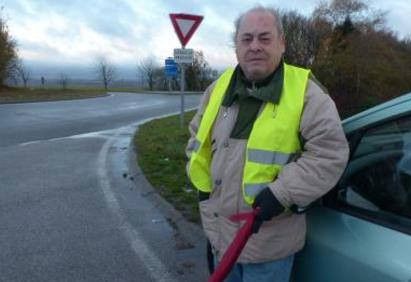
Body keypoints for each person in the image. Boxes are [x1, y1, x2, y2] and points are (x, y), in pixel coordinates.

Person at [186, 5, 349, 282]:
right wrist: (202, 188)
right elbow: (196, 138)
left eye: (265, 38)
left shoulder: (307, 93)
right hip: (219, 238)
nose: (255, 46)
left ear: (282, 43)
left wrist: (281, 193)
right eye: (247, 39)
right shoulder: (218, 88)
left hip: (268, 249)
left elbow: (329, 154)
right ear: (236, 46)